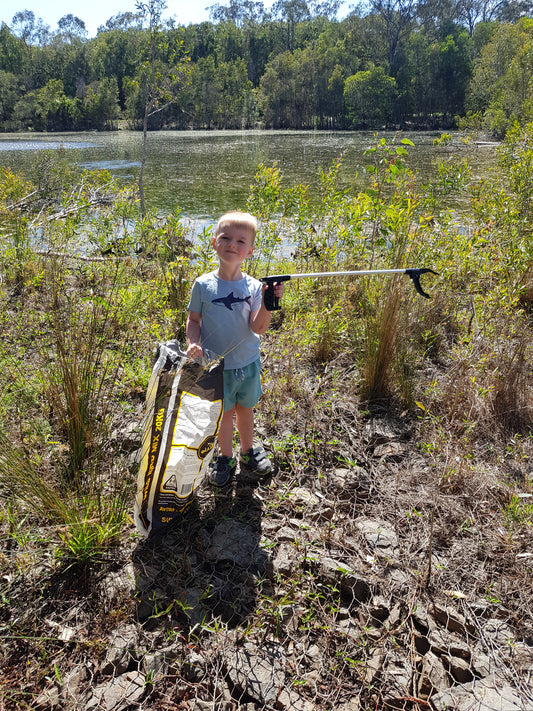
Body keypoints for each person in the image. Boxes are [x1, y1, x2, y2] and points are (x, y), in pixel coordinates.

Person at [186, 211, 284, 487]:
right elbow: (194, 320)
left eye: (241, 241)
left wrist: (267, 302)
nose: (232, 244)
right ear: (214, 243)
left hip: (247, 362)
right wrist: (193, 341)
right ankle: (225, 457)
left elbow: (258, 328)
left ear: (250, 251)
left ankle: (248, 450)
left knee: (245, 409)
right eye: (226, 237)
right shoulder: (203, 285)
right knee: (224, 413)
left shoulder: (254, 287)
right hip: (217, 367)